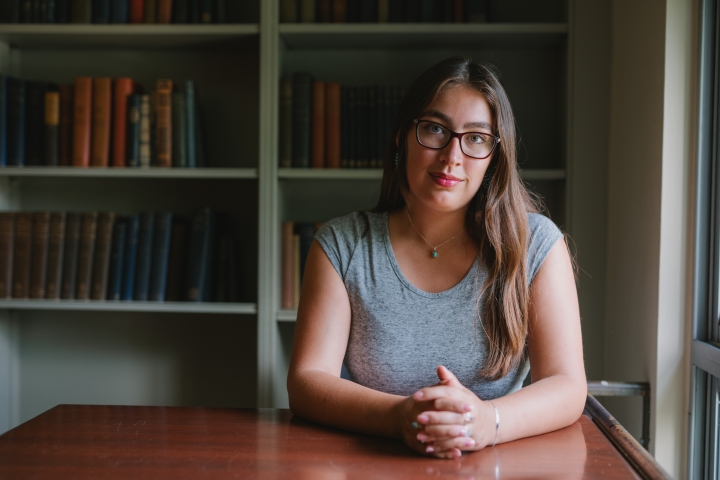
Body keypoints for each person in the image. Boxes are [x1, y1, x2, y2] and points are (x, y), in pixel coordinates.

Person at [286, 57, 586, 459]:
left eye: (476, 137)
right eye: (434, 129)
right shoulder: (342, 244)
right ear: (401, 136)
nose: (451, 156)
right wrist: (402, 416)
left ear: (496, 155)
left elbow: (567, 385)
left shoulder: (536, 245)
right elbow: (308, 380)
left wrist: (487, 422)